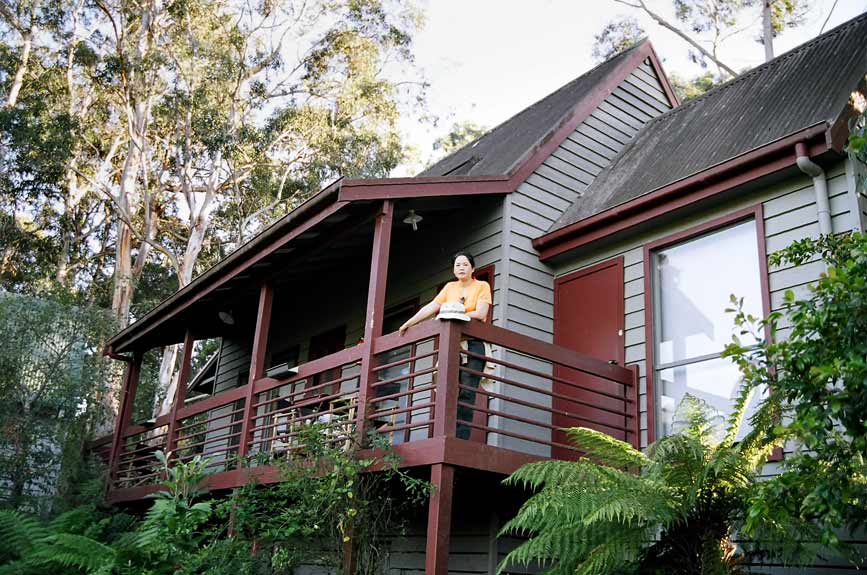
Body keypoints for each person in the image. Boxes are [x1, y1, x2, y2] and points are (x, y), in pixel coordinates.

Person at [398, 251, 492, 440]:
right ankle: (445, 435)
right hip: (453, 343)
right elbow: (432, 307)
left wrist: (455, 313)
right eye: (457, 265)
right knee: (447, 388)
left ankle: (460, 439)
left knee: (467, 392)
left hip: (473, 344)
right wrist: (409, 322)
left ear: (472, 268)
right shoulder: (450, 288)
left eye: (465, 264)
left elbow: (481, 313)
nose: (461, 268)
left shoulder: (482, 286)